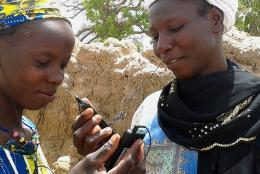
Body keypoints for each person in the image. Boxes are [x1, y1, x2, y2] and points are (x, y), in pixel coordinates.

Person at [72, 0, 260, 173]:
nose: (161, 46)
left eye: (175, 28)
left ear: (215, 20)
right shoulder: (150, 109)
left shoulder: (255, 108)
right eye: (155, 36)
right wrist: (108, 158)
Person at [0, 0, 144, 173]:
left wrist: (100, 160)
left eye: (63, 65)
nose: (58, 78)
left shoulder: (26, 130)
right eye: (42, 62)